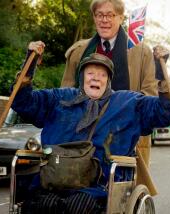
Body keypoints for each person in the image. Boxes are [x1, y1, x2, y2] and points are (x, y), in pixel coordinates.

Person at [11, 42, 170, 213]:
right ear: (82, 77)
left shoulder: (128, 103)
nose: (96, 77)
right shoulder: (60, 98)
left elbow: (167, 112)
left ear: (108, 81)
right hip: (53, 180)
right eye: (90, 73)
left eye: (102, 75)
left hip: (99, 186)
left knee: (78, 205)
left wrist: (162, 75)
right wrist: (30, 63)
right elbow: (22, 102)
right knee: (38, 205)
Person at [61, 0, 157, 174]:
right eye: (99, 15)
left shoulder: (141, 53)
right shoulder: (79, 51)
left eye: (110, 15)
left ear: (121, 18)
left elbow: (149, 95)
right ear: (94, 18)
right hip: (81, 135)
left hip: (125, 132)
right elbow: (65, 94)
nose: (104, 20)